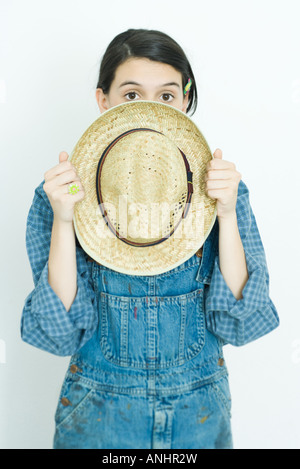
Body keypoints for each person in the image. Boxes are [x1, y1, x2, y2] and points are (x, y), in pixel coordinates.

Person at [21, 29, 279, 450]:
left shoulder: (222, 188)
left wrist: (227, 212)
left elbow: (242, 322)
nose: (148, 106)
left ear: (185, 99)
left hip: (200, 412)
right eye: (131, 94)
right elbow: (59, 333)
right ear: (103, 100)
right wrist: (66, 222)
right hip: (97, 413)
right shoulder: (58, 194)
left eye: (166, 95)